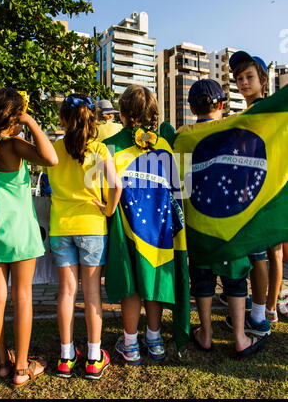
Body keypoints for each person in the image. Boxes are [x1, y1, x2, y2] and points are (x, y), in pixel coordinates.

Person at [99, 85, 190, 365]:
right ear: (153, 113)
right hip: (160, 231)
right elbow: (179, 190)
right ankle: (155, 339)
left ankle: (130, 344)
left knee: (132, 286)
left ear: (123, 113)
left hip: (125, 229)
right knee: (154, 283)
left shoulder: (109, 145)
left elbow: (101, 189)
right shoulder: (163, 145)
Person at [183, 79, 267, 356]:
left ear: (191, 107)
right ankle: (241, 338)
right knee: (235, 278)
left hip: (197, 222)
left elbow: (180, 181)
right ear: (221, 105)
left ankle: (205, 334)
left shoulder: (183, 136)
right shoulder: (236, 132)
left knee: (202, 278)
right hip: (232, 221)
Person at [46, 94, 122, 380]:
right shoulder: (100, 149)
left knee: (66, 292)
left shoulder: (53, 148)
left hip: (61, 227)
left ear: (62, 120)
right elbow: (117, 186)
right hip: (92, 226)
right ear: (93, 121)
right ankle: (93, 356)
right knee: (91, 294)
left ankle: (66, 357)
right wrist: (109, 209)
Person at [0, 87, 58, 387]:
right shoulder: (13, 145)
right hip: (19, 233)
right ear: (14, 116)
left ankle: (2, 362)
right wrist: (31, 123)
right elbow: (50, 158)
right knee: (23, 297)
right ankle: (20, 369)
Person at [229, 51, 283, 327]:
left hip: (268, 191)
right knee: (263, 251)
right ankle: (264, 306)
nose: (244, 83)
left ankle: (266, 310)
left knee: (269, 252)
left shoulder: (270, 111)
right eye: (239, 79)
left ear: (262, 79)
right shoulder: (247, 113)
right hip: (249, 192)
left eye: (249, 77)